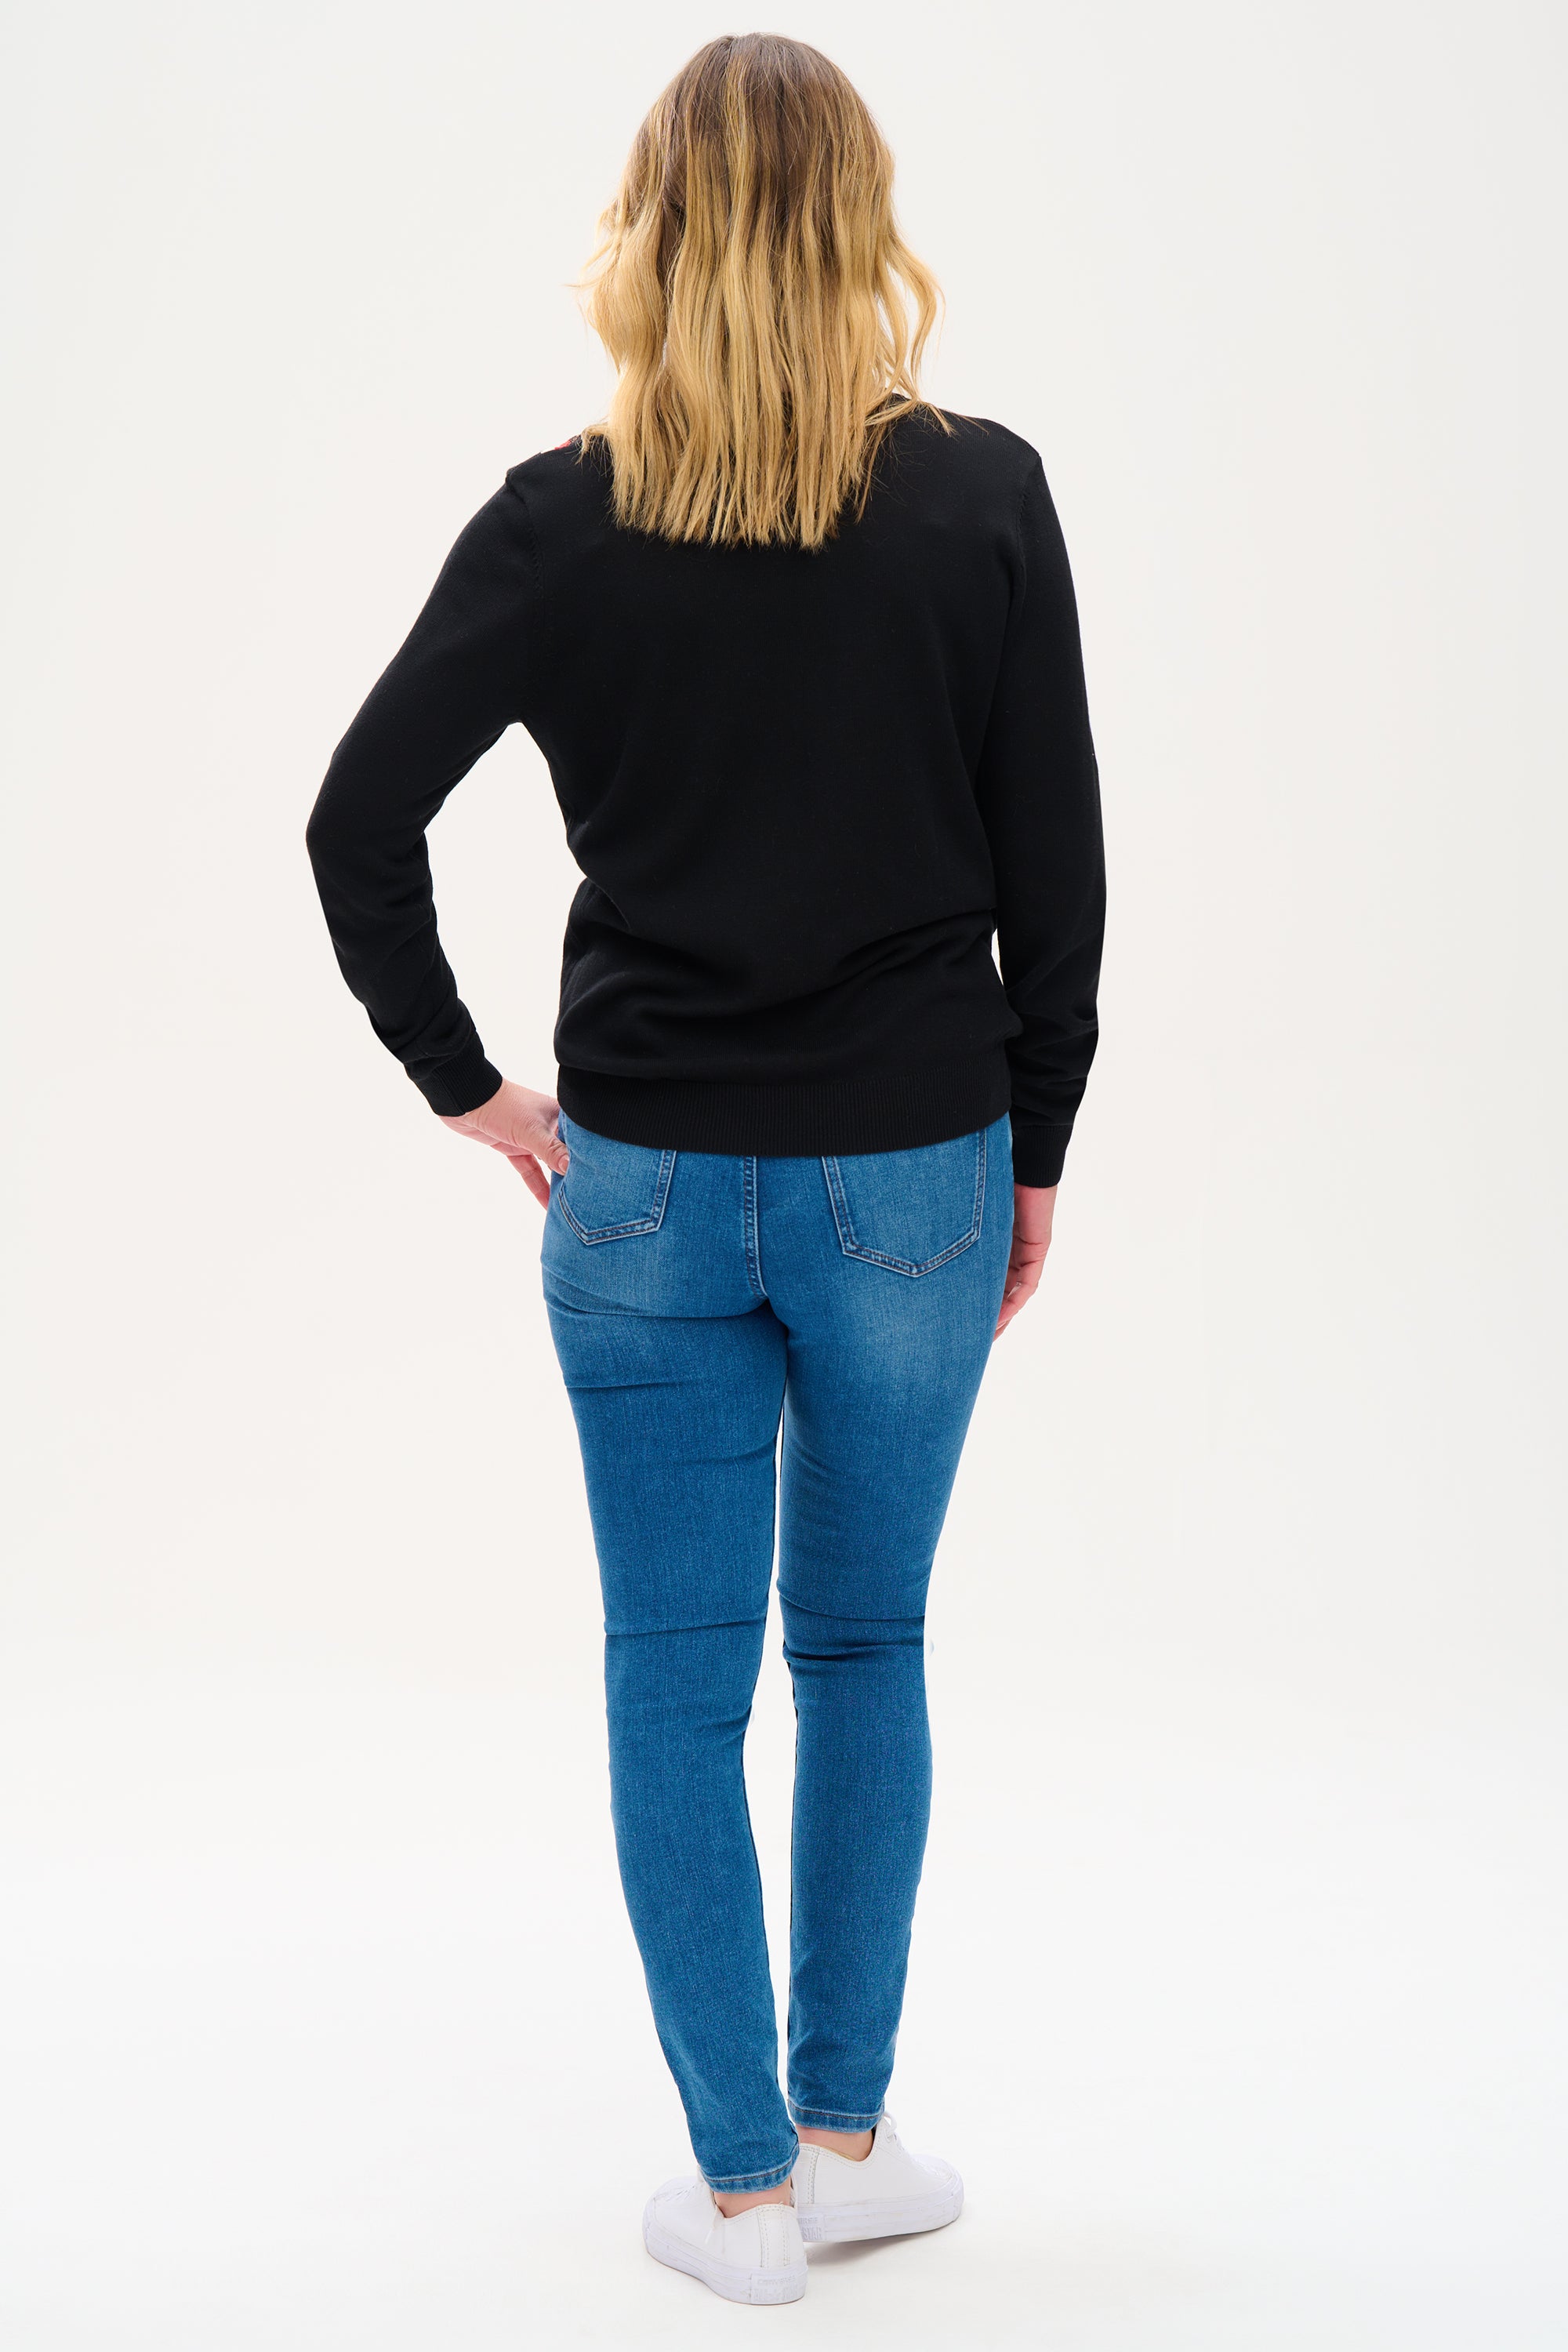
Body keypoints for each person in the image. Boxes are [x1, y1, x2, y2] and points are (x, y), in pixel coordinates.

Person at [306, 31, 1104, 2308]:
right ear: (866, 226)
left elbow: (357, 822)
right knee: (865, 1640)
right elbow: (1059, 864)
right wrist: (1037, 1147)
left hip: (641, 1177)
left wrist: (473, 1091)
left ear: (650, 234)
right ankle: (844, 2140)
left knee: (676, 1677)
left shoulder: (561, 519)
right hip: (915, 1170)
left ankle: (741, 2198)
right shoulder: (984, 498)